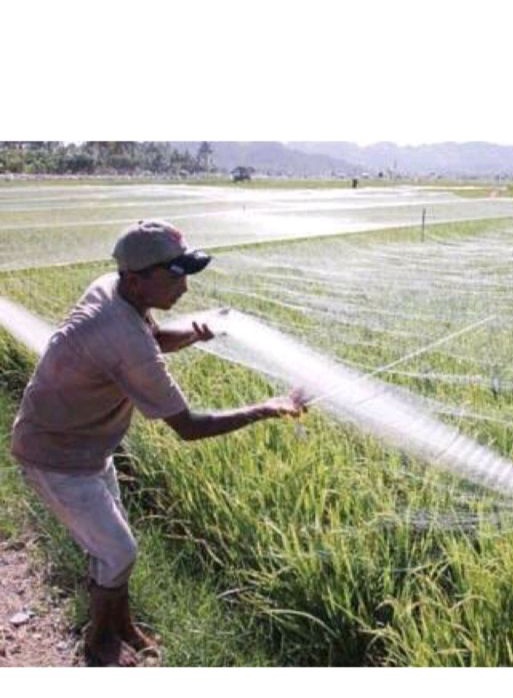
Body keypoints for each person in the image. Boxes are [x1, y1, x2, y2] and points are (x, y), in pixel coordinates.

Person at [10, 219, 307, 667]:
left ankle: (122, 625)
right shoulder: (122, 338)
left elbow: (151, 337)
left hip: (84, 445)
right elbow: (188, 426)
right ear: (137, 278)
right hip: (55, 456)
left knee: (114, 548)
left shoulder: (112, 287)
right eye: (175, 274)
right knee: (118, 550)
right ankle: (99, 643)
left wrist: (196, 331)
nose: (184, 288)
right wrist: (267, 407)